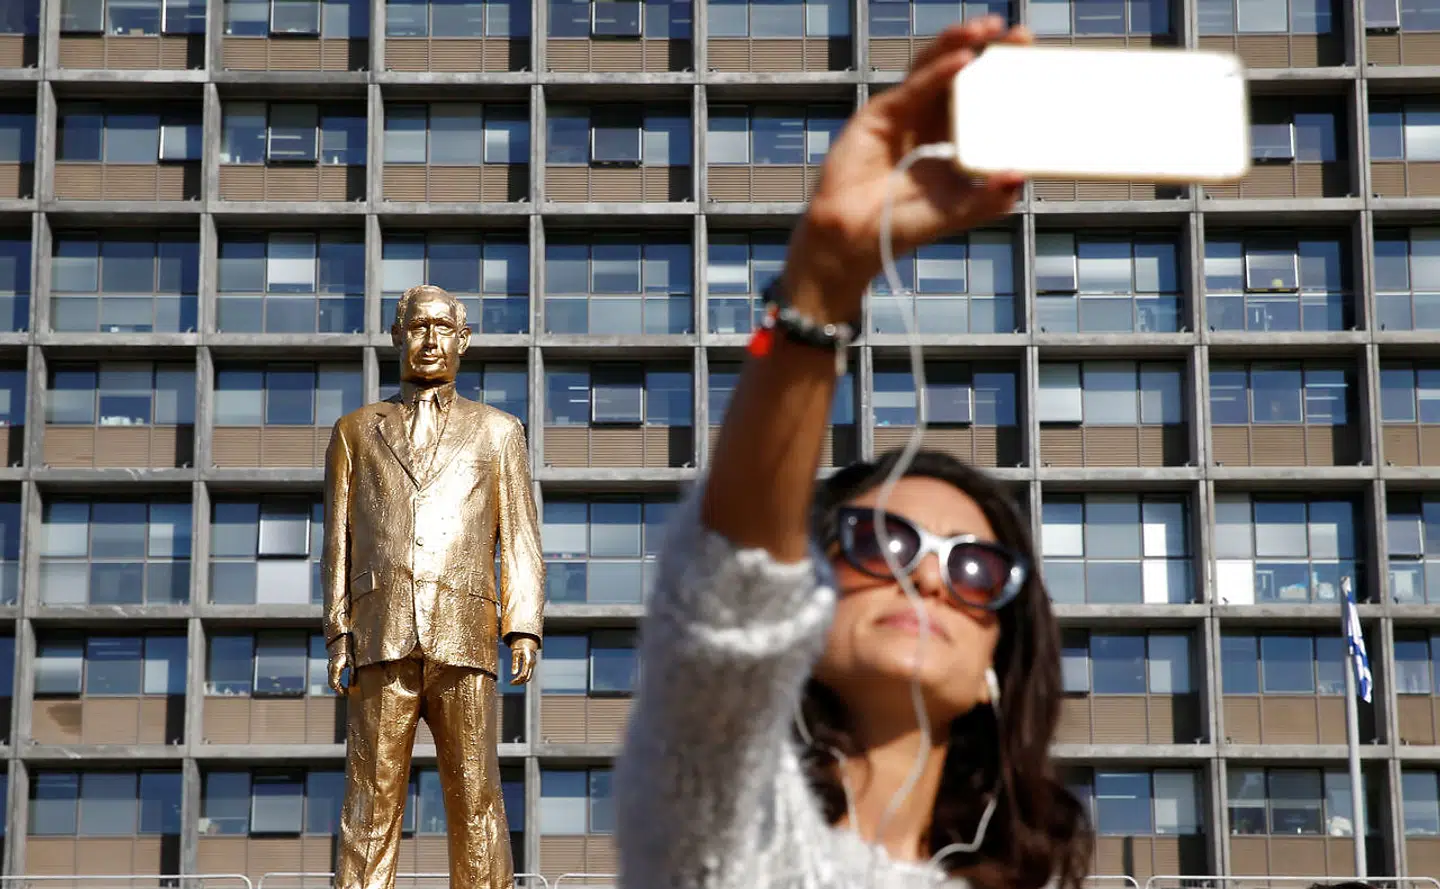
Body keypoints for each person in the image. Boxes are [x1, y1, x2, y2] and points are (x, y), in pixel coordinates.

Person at [614, 17, 1090, 889]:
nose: (932, 580)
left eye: (979, 568)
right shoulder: (726, 828)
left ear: (1001, 661)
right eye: (882, 542)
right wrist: (822, 282)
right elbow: (731, 602)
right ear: (807, 603)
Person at [322, 284, 545, 889]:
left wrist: (522, 625)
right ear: (397, 336)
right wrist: (338, 633)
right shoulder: (355, 431)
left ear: (463, 341)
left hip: (466, 633)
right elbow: (338, 542)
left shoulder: (499, 431)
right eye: (418, 327)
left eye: (444, 328)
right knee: (368, 801)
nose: (430, 340)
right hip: (379, 635)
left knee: (476, 798)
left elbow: (519, 535)